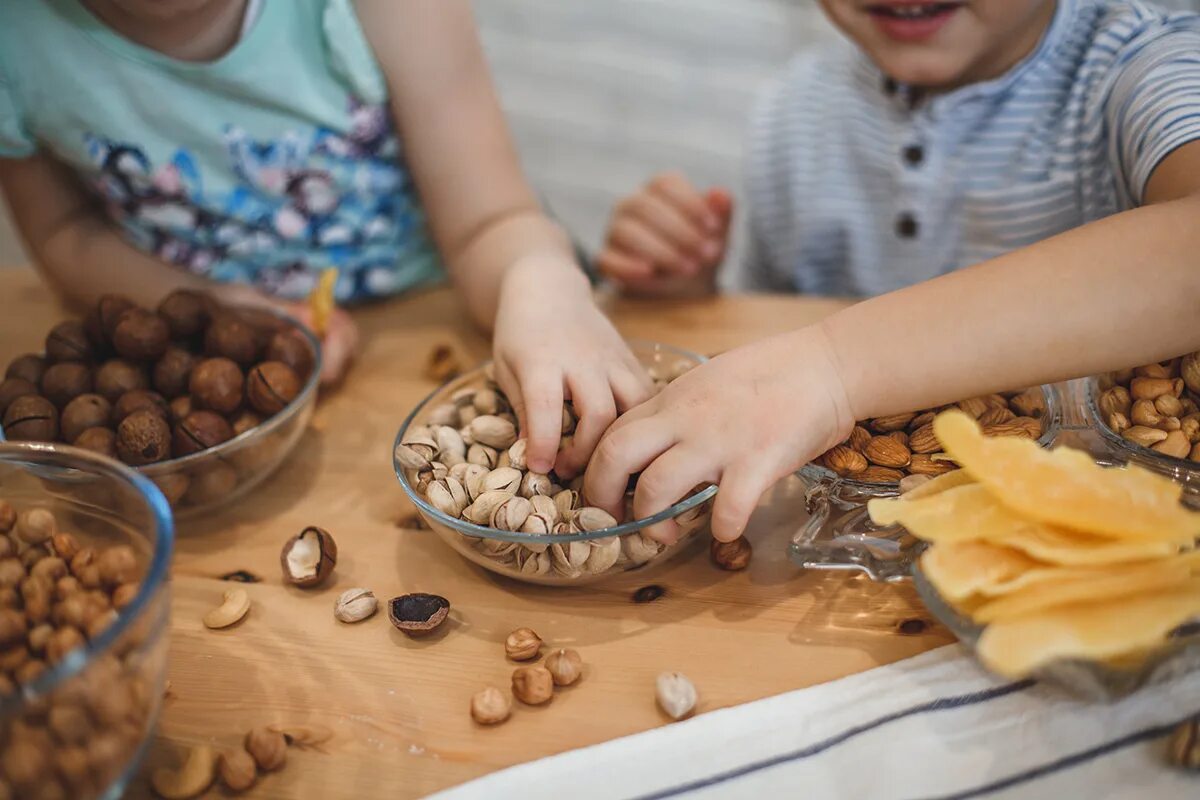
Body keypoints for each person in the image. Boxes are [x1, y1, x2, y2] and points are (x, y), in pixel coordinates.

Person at [585, 0, 1200, 543]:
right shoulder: (797, 106)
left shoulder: (1146, 68)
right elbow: (777, 348)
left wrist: (834, 366)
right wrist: (690, 291)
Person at [0, 0, 650, 476]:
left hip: (441, 328)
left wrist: (543, 286)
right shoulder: (15, 41)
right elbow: (66, 236)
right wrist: (220, 307)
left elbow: (494, 223)